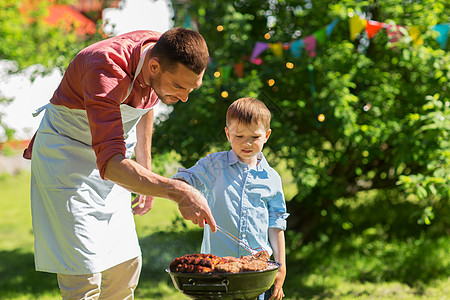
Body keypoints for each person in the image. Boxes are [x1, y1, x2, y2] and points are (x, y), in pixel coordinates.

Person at [23, 27, 217, 299]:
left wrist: (145, 171)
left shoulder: (160, 53)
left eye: (192, 88)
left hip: (113, 157)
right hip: (66, 160)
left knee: (125, 267)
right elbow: (112, 165)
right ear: (153, 66)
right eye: (179, 87)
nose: (184, 98)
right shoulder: (104, 68)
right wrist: (179, 191)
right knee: (84, 275)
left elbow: (148, 100)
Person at [172, 97, 288, 300]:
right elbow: (186, 179)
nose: (247, 143)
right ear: (228, 133)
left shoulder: (272, 179)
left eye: (255, 136)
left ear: (267, 135)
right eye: (239, 135)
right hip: (215, 272)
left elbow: (276, 225)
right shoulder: (214, 165)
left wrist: (281, 267)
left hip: (255, 274)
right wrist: (181, 189)